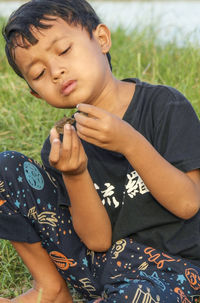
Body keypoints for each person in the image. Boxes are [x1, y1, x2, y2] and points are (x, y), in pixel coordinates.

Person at [0, 0, 200, 302]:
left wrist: (130, 142)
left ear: (102, 39)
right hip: (101, 267)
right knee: (5, 169)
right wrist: (75, 173)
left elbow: (188, 204)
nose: (56, 71)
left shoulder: (164, 106)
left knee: (137, 296)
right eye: (39, 73)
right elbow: (98, 240)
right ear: (35, 92)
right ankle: (50, 289)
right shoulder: (62, 145)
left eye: (64, 50)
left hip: (174, 270)